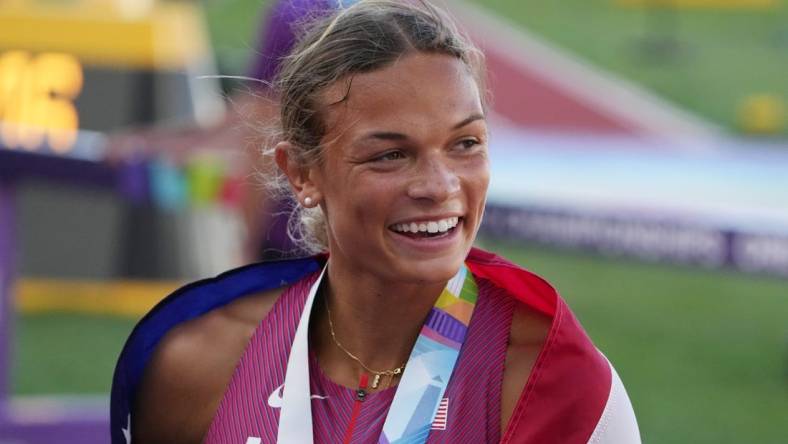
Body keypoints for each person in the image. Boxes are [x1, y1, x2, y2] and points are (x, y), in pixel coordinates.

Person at [111, 1, 641, 443]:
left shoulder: (551, 381)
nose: (439, 185)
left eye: (465, 144)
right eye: (390, 155)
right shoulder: (199, 365)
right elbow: (255, 107)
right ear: (301, 173)